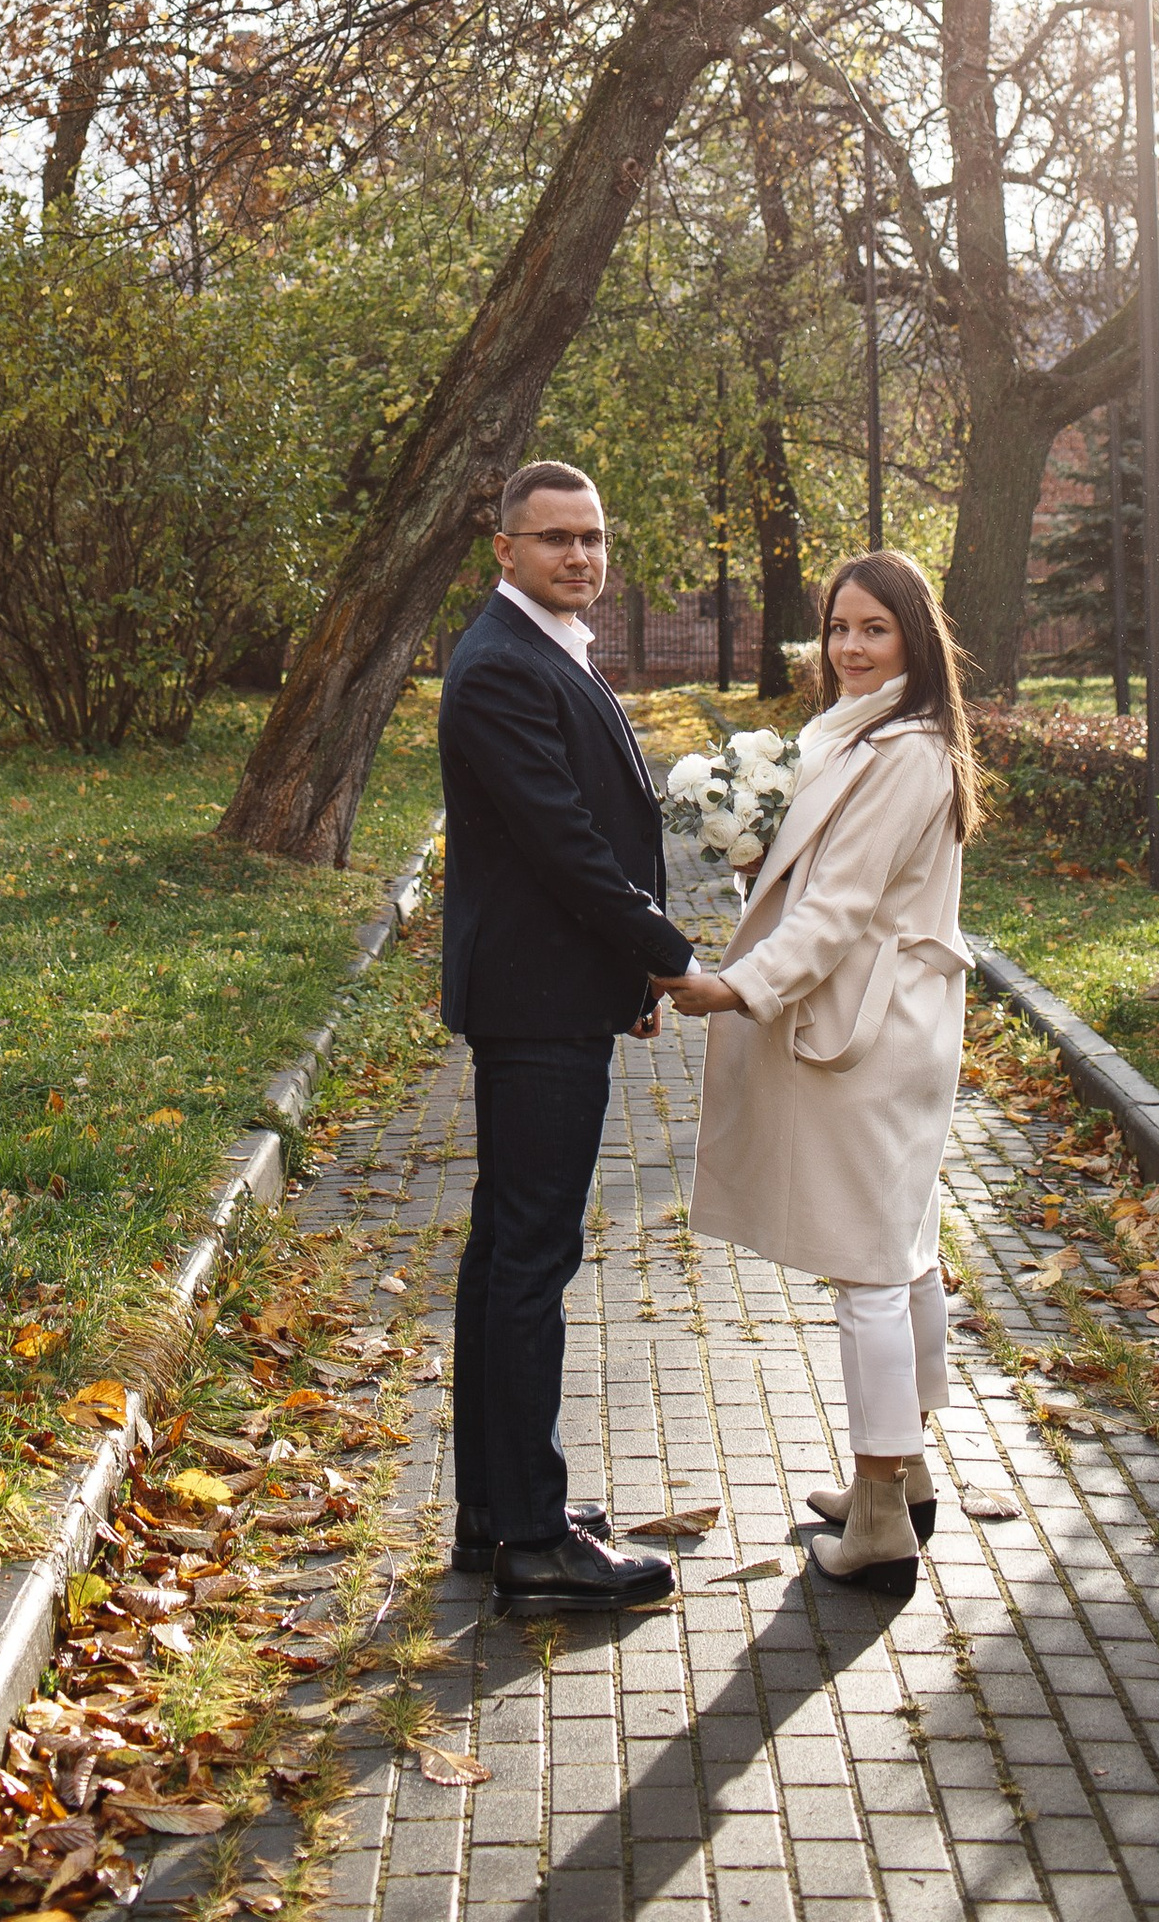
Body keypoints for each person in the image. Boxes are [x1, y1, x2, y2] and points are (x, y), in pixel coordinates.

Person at [657, 548, 979, 1599]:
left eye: (872, 630)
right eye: (837, 628)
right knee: (905, 1249)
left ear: (912, 641)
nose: (848, 647)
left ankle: (882, 1514)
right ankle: (905, 1470)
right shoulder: (858, 735)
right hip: (887, 1023)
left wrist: (738, 986)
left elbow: (840, 909)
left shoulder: (906, 752)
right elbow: (821, 872)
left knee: (868, 1270)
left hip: (870, 1032)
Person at [436, 457, 694, 1615]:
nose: (579, 557)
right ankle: (533, 1543)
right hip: (533, 1001)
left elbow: (594, 827)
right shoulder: (499, 665)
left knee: (506, 1255)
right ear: (505, 550)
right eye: (554, 539)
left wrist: (623, 973)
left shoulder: (544, 647)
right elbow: (565, 845)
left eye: (592, 536)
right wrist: (669, 956)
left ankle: (497, 1513)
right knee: (530, 1260)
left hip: (551, 990)